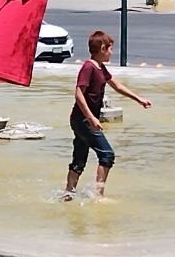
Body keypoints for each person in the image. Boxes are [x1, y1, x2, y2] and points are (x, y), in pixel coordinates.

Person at [64, 31, 152, 200]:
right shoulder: (88, 67)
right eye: (110, 48)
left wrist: (138, 99)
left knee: (79, 158)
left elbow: (117, 86)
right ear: (103, 48)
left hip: (82, 120)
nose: (112, 52)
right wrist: (91, 118)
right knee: (107, 154)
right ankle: (98, 196)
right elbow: (78, 94)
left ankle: (68, 193)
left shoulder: (100, 68)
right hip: (83, 120)